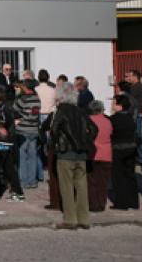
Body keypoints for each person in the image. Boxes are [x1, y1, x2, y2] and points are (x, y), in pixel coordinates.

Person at [50, 82, 96, 230]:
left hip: (65, 153)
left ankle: (70, 219)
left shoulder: (61, 110)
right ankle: (84, 219)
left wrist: (54, 145)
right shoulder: (80, 110)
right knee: (82, 187)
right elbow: (94, 128)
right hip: (81, 154)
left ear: (60, 95)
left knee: (67, 187)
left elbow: (54, 130)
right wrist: (85, 141)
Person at [0, 88, 24, 203]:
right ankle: (19, 193)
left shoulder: (0, 108)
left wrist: (0, 128)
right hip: (9, 141)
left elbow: (3, 120)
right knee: (9, 168)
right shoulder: (8, 106)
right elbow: (18, 117)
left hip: (2, 142)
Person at [110, 95, 139, 210]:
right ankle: (133, 202)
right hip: (131, 148)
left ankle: (121, 203)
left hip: (118, 149)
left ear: (120, 106)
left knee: (118, 176)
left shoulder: (114, 119)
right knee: (130, 175)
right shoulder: (131, 117)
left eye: (114, 103)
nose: (112, 105)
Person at [87, 100, 112, 212]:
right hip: (106, 154)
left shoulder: (88, 120)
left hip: (92, 154)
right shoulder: (108, 121)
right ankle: (101, 204)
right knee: (103, 182)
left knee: (92, 181)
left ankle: (93, 204)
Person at [126, 70, 142, 165]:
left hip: (137, 114)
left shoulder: (137, 87)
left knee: (138, 136)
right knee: (136, 136)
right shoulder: (134, 86)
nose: (128, 78)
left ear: (135, 77)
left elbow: (128, 98)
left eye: (130, 76)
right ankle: (140, 156)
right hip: (135, 114)